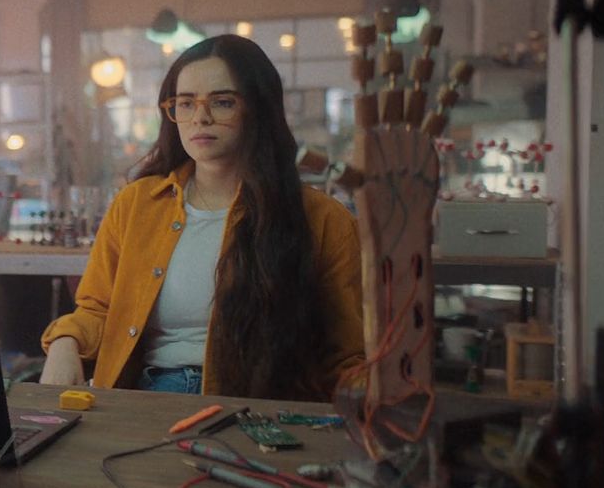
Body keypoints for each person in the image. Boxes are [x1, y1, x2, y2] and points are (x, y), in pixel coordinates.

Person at [38, 35, 365, 401]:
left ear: (259, 108)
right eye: (186, 103)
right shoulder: (136, 205)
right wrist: (66, 340)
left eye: (222, 102)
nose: (201, 117)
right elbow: (97, 308)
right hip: (142, 401)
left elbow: (345, 353)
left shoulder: (322, 219)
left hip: (254, 413)